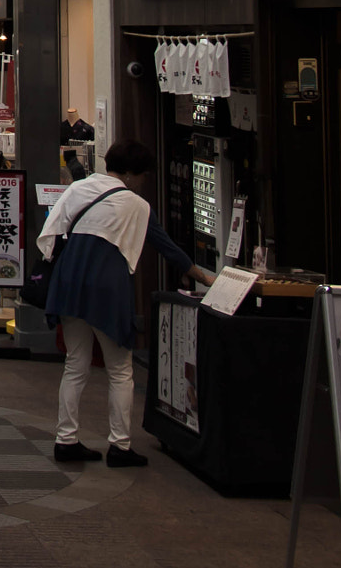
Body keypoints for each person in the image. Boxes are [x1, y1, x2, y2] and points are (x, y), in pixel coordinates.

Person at [38, 140, 212, 467]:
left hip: (68, 281)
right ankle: (119, 445)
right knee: (120, 370)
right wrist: (202, 277)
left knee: (76, 364)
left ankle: (66, 440)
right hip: (107, 287)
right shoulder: (136, 205)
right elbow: (165, 246)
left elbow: (51, 233)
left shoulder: (78, 189)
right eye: (143, 174)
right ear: (131, 174)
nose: (144, 180)